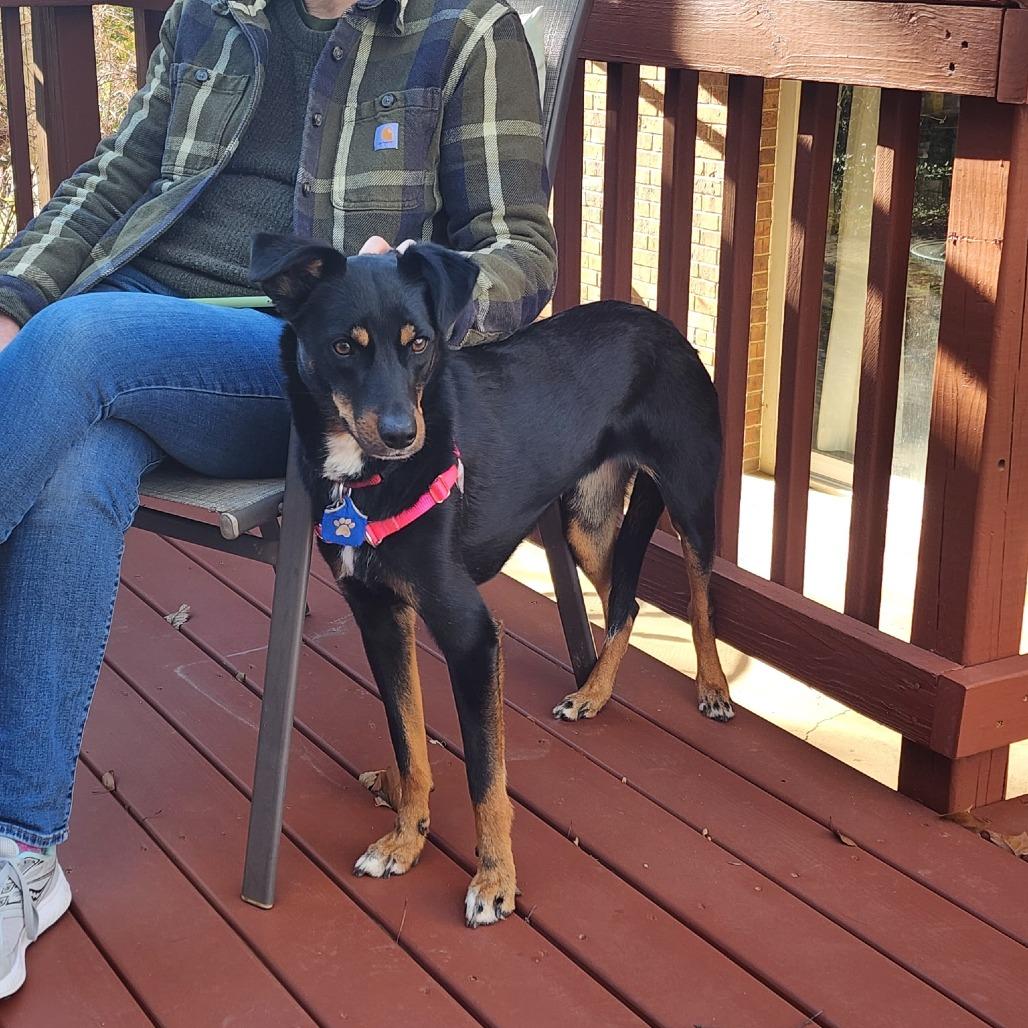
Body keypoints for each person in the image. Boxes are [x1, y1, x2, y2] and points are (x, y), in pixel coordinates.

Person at [0, 0, 555, 997]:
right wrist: (11, 298)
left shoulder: (462, 31)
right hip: (135, 319)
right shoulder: (215, 15)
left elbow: (517, 253)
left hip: (302, 357)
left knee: (72, 343)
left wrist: (410, 287)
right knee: (71, 469)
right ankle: (20, 851)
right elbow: (119, 173)